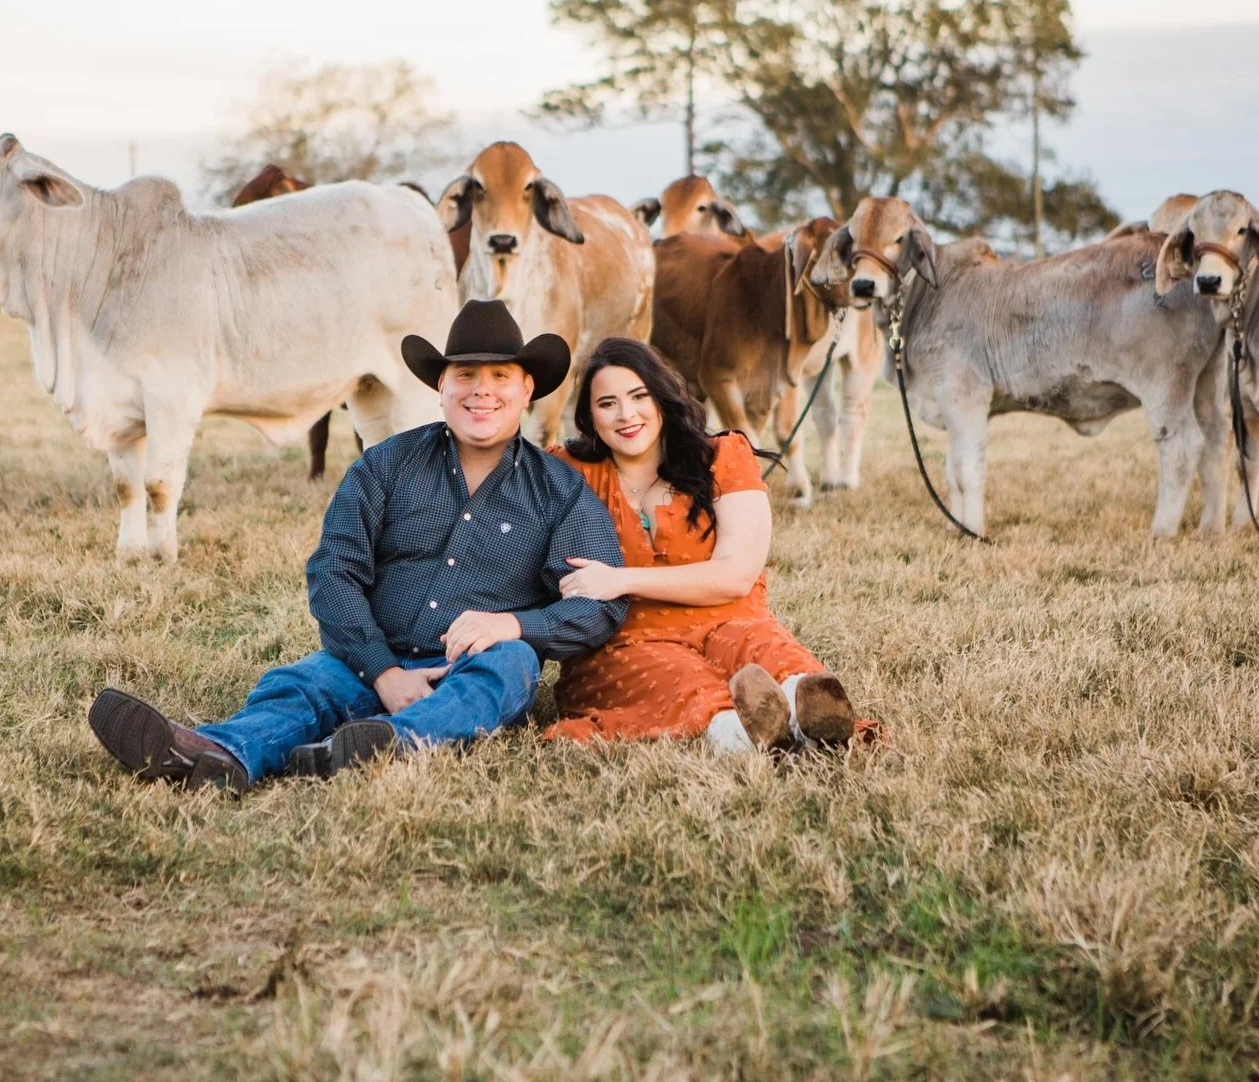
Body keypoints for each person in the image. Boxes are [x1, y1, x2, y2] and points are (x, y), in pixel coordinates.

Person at [88, 300, 627, 793]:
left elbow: (598, 605)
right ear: (441, 386)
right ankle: (219, 752)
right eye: (465, 374)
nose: (481, 391)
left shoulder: (559, 490)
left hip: (471, 669)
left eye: (500, 376)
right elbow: (334, 573)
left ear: (527, 389)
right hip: (372, 657)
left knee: (511, 666)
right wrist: (384, 672)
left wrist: (514, 625)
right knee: (303, 683)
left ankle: (390, 743)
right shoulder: (386, 465)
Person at [544, 336, 856, 752]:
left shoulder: (723, 457)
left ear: (662, 397)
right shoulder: (567, 472)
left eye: (639, 396)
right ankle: (743, 734)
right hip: (630, 639)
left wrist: (619, 580)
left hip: (731, 619)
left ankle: (808, 713)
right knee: (682, 681)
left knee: (767, 654)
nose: (626, 414)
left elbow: (736, 575)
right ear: (589, 417)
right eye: (607, 403)